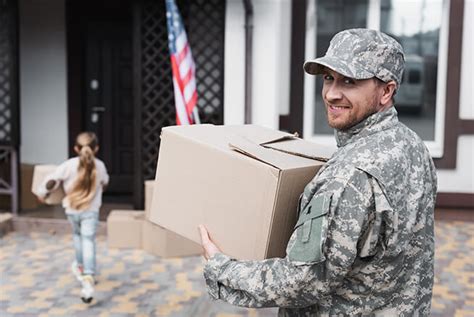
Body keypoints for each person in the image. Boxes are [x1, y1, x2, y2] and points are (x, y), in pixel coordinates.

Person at [199, 28, 437, 316]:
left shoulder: (348, 176)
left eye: (349, 81)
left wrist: (222, 268)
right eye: (328, 78)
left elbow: (301, 282)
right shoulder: (412, 145)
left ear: (386, 91)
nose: (332, 93)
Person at [36, 132, 109, 303]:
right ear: (96, 148)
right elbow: (105, 183)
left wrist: (42, 194)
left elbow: (51, 181)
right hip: (90, 210)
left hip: (72, 210)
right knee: (88, 240)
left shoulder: (68, 165)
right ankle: (89, 275)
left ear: (76, 148)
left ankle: (81, 267)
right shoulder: (100, 166)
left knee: (78, 237)